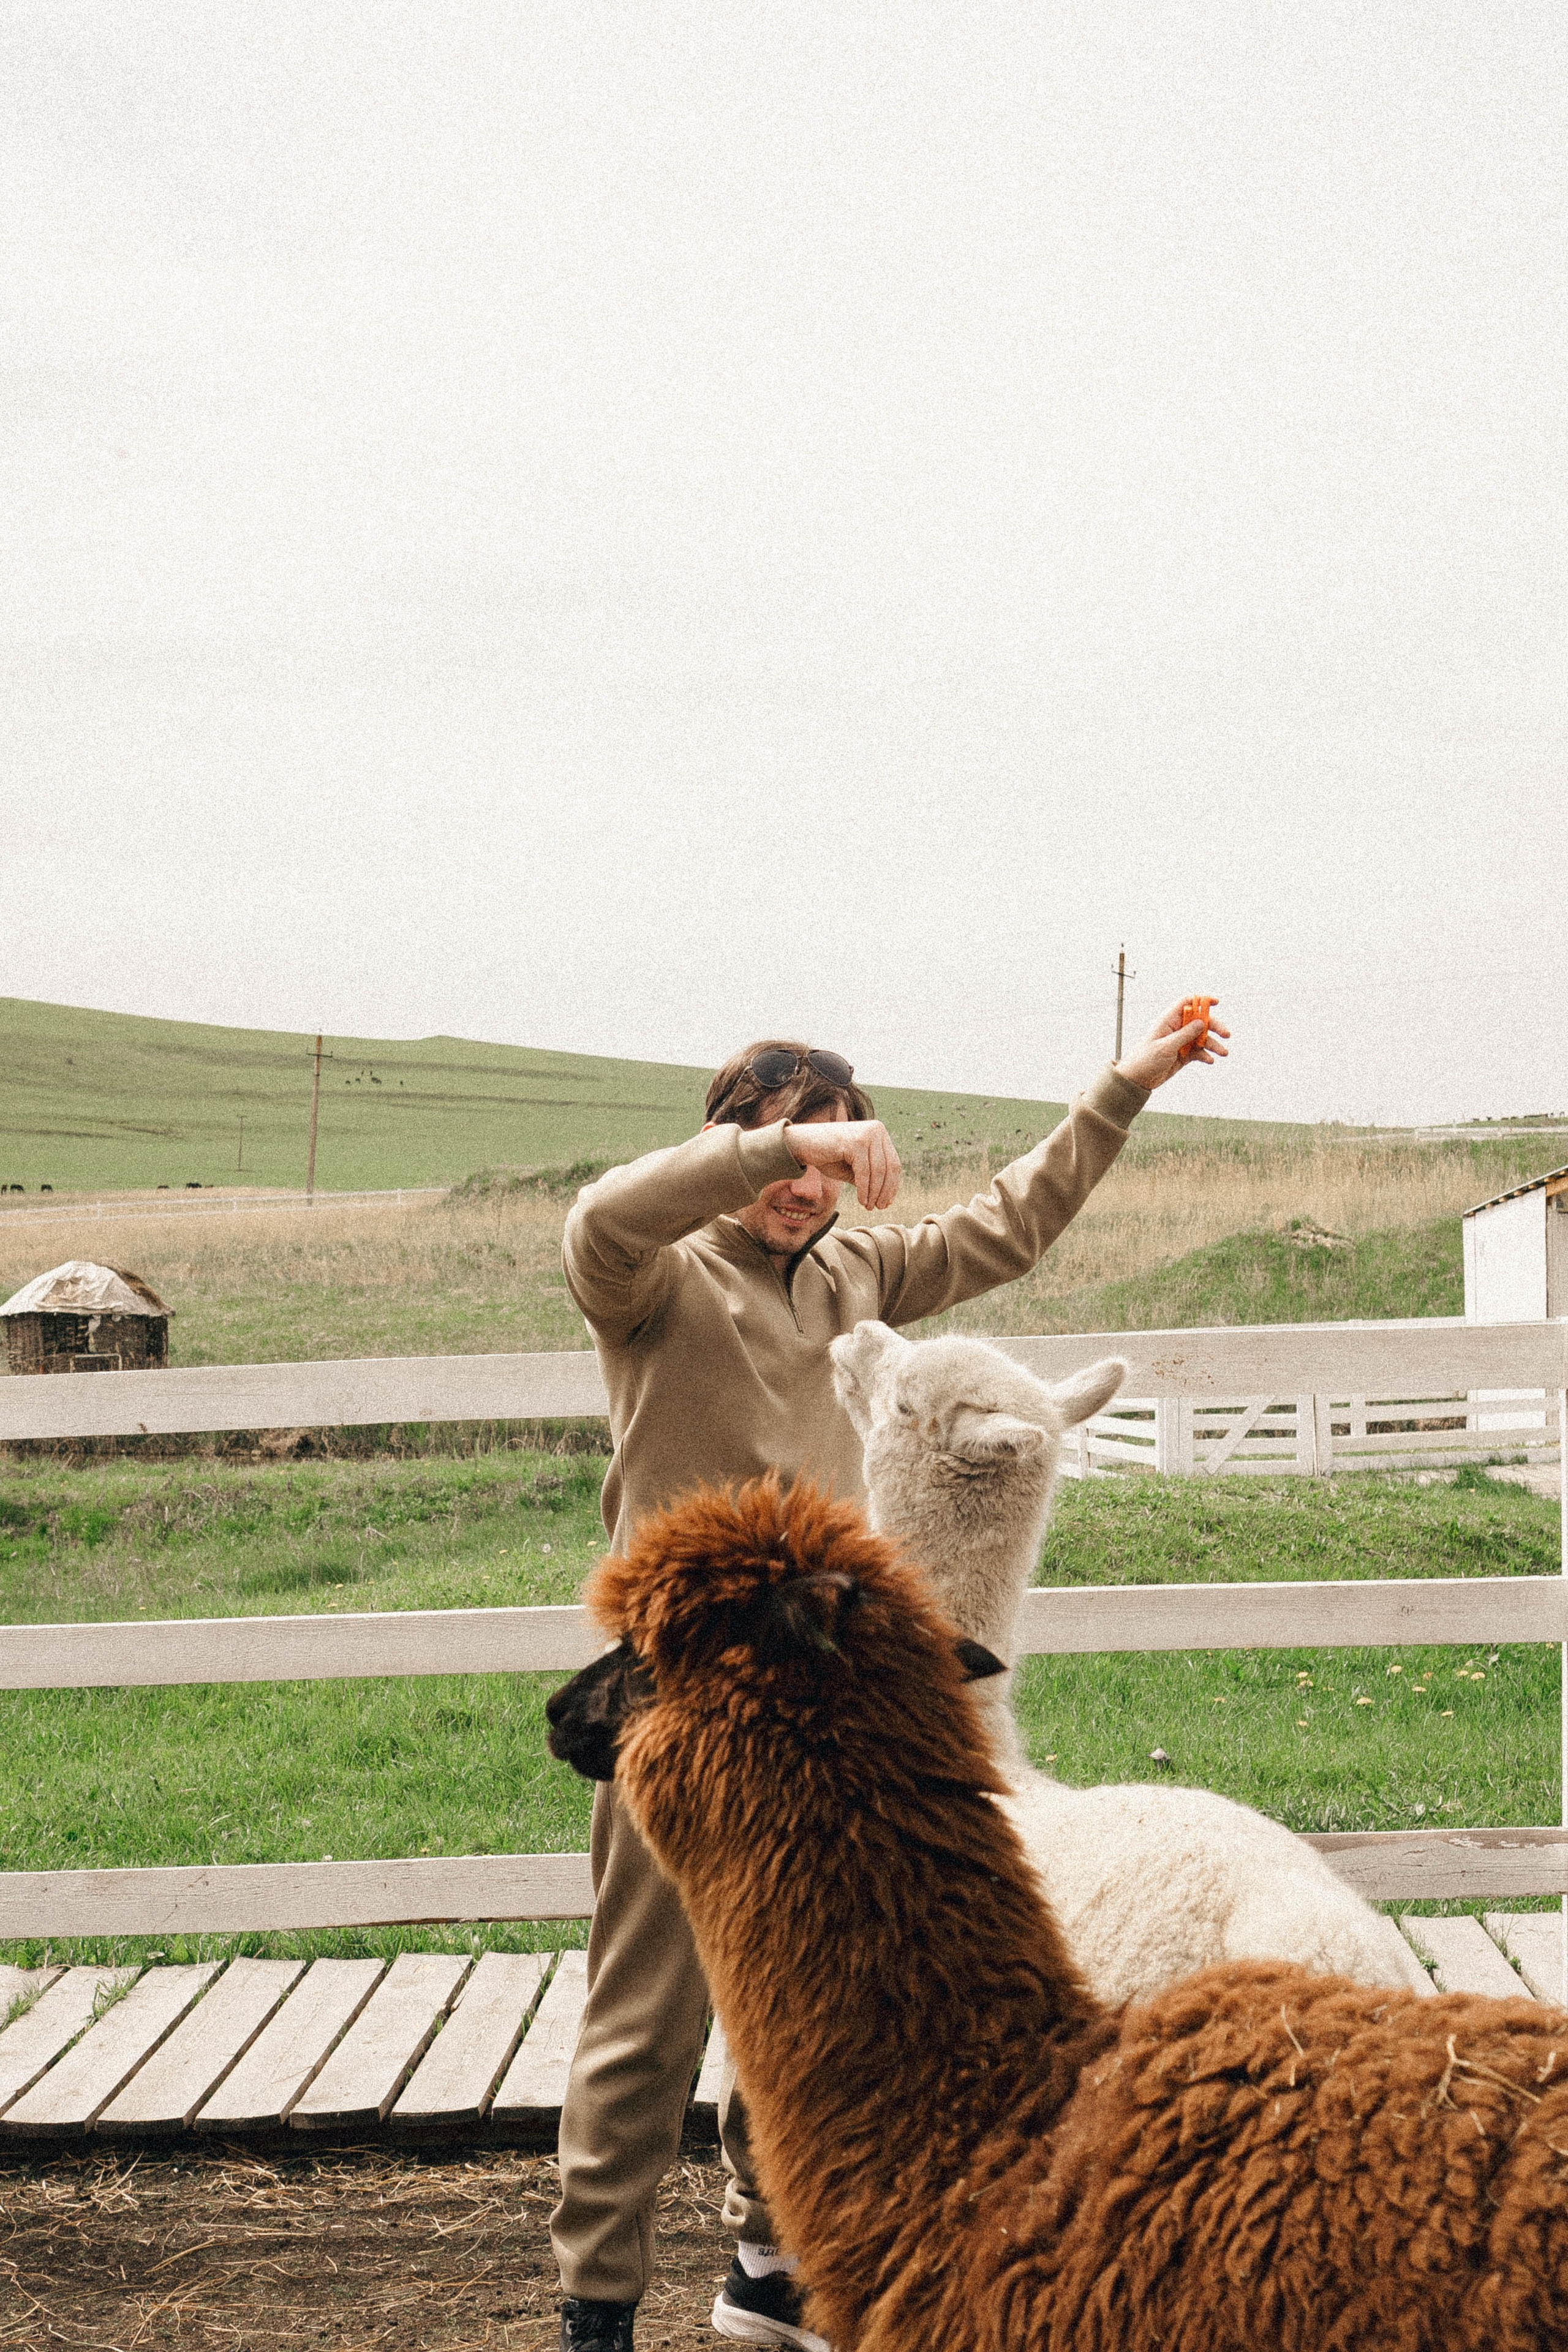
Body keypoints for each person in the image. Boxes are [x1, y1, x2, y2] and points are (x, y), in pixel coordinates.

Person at [551, 1002, 1229, 2352]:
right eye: (775, 1157)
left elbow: (1008, 1227)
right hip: (688, 1691)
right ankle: (596, 2305)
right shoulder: (654, 1280)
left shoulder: (851, 1275)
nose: (804, 1188)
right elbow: (597, 1219)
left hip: (826, 1691)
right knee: (650, 2004)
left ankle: (768, 2253)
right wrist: (796, 1143)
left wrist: (1124, 1085)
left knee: (800, 1978)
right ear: (725, 1148)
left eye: (823, 1165)